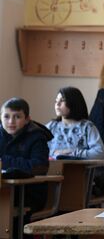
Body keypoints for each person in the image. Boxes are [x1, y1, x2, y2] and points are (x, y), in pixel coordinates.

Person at [0, 97, 53, 233]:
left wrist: (3, 160)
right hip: (4, 188)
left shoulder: (37, 137)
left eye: (17, 117)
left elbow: (39, 166)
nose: (11, 121)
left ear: (27, 119)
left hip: (29, 192)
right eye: (6, 116)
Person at [46, 86, 104, 159]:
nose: (57, 104)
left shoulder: (87, 127)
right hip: (54, 169)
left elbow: (100, 153)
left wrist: (73, 153)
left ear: (74, 103)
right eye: (56, 101)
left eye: (62, 100)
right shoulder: (51, 126)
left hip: (80, 169)